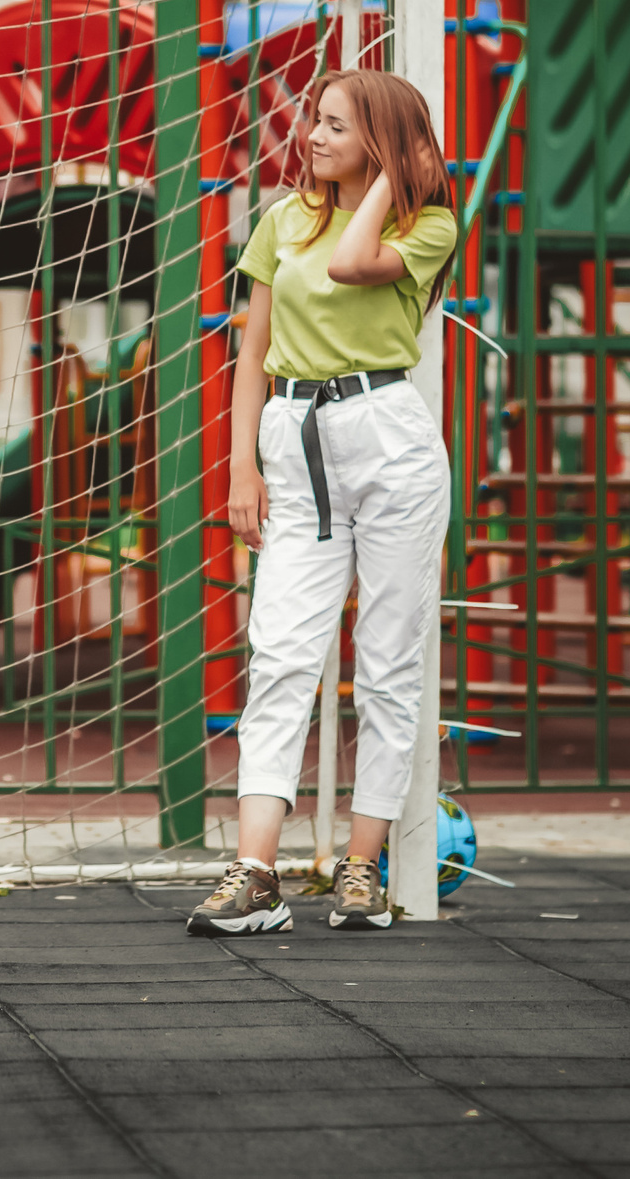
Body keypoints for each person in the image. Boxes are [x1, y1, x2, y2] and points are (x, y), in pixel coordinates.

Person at [188, 68, 456, 937]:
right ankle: (255, 871)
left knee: (386, 663)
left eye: (337, 124)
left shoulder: (429, 224)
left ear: (380, 141)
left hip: (389, 440)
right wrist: (239, 468)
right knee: (281, 658)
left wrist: (390, 177)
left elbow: (349, 266)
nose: (313, 133)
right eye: (316, 119)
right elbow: (251, 349)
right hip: (293, 438)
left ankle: (361, 866)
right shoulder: (279, 220)